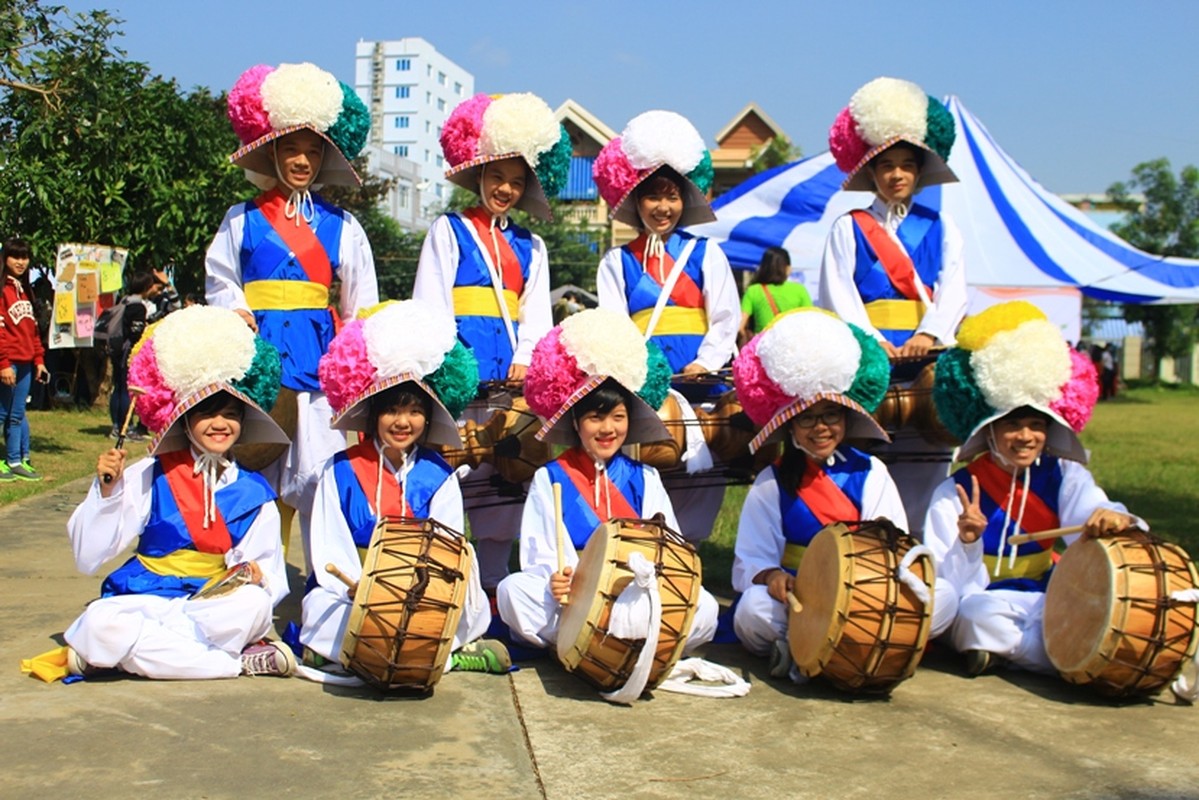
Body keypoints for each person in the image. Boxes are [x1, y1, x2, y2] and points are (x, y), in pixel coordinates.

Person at [46, 306, 295, 680]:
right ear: (184, 418)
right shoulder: (150, 473)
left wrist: (255, 575)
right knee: (100, 620)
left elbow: (269, 574)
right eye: (207, 413)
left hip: (213, 605)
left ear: (244, 422)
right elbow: (88, 557)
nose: (220, 424)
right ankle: (233, 663)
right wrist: (108, 493)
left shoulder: (255, 492)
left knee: (255, 606)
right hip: (146, 597)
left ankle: (123, 654)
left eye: (231, 414)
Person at [205, 62, 378, 558]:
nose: (301, 159)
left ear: (324, 157)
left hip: (320, 365)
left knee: (321, 476)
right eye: (291, 148)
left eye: (311, 150)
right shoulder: (240, 218)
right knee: (256, 471)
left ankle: (325, 580)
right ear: (272, 151)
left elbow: (361, 300)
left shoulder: (344, 225)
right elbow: (221, 278)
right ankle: (258, 576)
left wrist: (354, 357)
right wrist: (235, 311)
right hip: (257, 361)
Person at [922, 301, 1138, 676]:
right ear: (988, 429)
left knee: (1092, 608)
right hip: (981, 599)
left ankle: (1009, 652)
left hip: (1046, 595)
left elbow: (1097, 513)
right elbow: (945, 584)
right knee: (975, 617)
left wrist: (1111, 517)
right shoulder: (954, 491)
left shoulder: (1065, 475)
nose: (1026, 437)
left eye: (1036, 425)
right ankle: (1073, 660)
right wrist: (969, 542)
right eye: (1012, 425)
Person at [412, 92, 569, 593]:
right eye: (498, 177)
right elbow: (431, 305)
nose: (505, 189)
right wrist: (447, 368)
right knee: (451, 474)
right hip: (460, 378)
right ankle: (446, 580)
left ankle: (496, 581)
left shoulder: (533, 245)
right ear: (477, 174)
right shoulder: (448, 230)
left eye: (517, 182)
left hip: (508, 384)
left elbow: (537, 315)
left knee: (505, 476)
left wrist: (526, 359)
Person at [300, 300, 508, 677]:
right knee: (321, 609)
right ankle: (445, 657)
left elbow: (450, 548)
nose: (403, 422)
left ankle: (344, 654)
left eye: (414, 411)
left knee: (470, 599)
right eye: (391, 410)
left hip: (424, 591)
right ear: (373, 415)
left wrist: (419, 594)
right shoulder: (338, 470)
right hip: (354, 589)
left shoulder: (440, 476)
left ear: (427, 418)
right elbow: (330, 548)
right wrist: (362, 590)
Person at [497, 309, 718, 664]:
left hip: (634, 592)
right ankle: (585, 642)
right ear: (576, 421)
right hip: (575, 599)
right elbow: (538, 555)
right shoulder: (549, 477)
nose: (607, 429)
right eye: (595, 417)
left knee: (705, 607)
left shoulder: (646, 478)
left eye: (618, 417)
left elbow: (670, 547)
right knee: (513, 592)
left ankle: (604, 645)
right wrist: (558, 580)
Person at [729, 308, 906, 676]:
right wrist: (772, 577)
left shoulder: (871, 472)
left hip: (860, 597)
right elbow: (751, 560)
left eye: (831, 415)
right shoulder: (771, 481)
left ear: (846, 419)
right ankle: (820, 646)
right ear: (790, 426)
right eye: (807, 418)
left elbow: (894, 548)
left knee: (942, 601)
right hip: (797, 599)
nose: (820, 428)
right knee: (752, 610)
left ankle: (803, 648)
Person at [593, 110, 740, 544]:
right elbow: (615, 329)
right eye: (653, 196)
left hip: (703, 384)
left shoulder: (707, 253)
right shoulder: (615, 262)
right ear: (636, 201)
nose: (664, 207)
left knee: (703, 479)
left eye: (673, 196)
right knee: (647, 469)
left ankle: (689, 553)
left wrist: (705, 363)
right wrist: (642, 378)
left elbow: (726, 319)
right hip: (647, 388)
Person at [819, 77, 967, 357]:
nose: (897, 174)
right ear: (871, 173)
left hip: (928, 350)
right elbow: (837, 291)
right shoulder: (848, 227)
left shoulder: (942, 226)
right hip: (869, 352)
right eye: (887, 166)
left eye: (906, 166)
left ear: (919, 172)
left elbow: (954, 288)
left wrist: (928, 334)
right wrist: (872, 342)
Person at [0, 238, 49, 482]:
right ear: (5, 258)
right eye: (15, 256)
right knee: (2, 414)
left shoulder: (24, 290)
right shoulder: (3, 291)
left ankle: (15, 461)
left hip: (26, 363)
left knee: (17, 414)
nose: (20, 262)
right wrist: (3, 363)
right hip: (8, 363)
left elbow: (33, 332)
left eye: (25, 257)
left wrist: (39, 360)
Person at [107, 271, 161, 442]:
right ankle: (126, 427)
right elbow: (135, 333)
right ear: (146, 287)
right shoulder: (138, 307)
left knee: (118, 388)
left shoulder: (123, 301)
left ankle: (116, 425)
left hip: (116, 349)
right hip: (126, 351)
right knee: (126, 390)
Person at [738, 246, 811, 345]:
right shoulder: (799, 290)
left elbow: (740, 327)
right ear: (788, 268)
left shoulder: (753, 291)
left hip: (762, 348)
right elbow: (809, 323)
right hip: (792, 347)